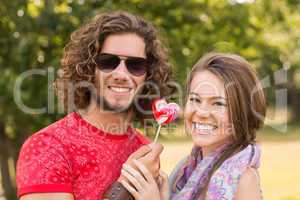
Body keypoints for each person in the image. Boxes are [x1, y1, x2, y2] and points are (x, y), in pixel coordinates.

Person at [16, 11, 174, 200]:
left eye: (135, 65)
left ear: (148, 76)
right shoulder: (47, 147)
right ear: (88, 68)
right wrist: (124, 187)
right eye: (108, 62)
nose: (121, 74)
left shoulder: (145, 151)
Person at [120, 52, 266, 200]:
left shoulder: (243, 179)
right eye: (195, 99)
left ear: (243, 111)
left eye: (218, 103)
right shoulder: (185, 170)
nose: (201, 112)